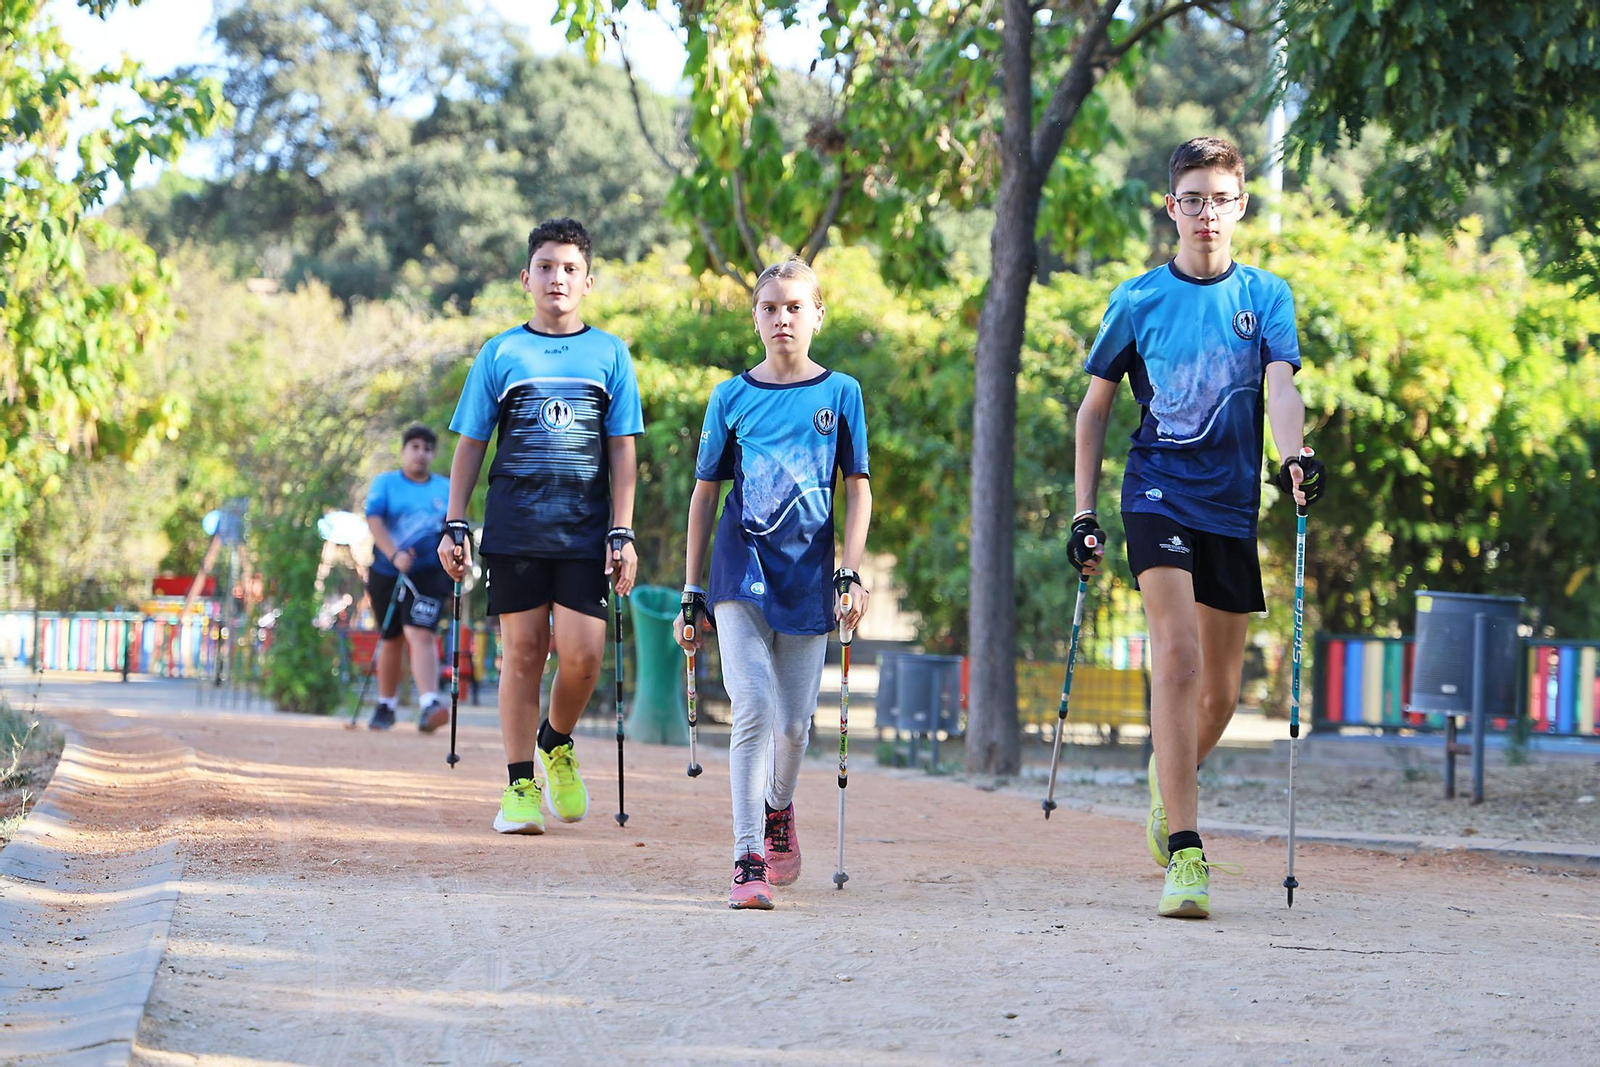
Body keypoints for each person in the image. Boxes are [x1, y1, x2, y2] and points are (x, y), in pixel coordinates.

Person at [1071, 137, 1325, 919]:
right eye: (1193, 198)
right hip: (1155, 492)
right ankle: (1187, 849)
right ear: (1171, 207)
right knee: (1175, 657)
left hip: (1230, 509)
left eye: (1220, 197)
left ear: (1240, 204)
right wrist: (1084, 510)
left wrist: (1296, 454)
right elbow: (1095, 409)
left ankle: (1165, 776)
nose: (1206, 212)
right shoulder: (1138, 298)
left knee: (1221, 693)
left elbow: (1280, 390)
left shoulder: (1267, 296)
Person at [674, 257, 872, 910]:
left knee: (794, 725)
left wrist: (850, 568)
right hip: (741, 567)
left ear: (818, 314)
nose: (781, 318)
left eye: (794, 306)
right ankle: (747, 855)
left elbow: (858, 488)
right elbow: (706, 495)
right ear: (754, 317)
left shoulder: (842, 393)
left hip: (810, 574)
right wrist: (691, 588)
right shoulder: (730, 397)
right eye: (769, 307)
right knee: (754, 705)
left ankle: (778, 807)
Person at [436, 217, 642, 835]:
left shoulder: (609, 353)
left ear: (588, 281)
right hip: (515, 525)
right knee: (523, 652)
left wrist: (623, 531)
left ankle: (556, 741)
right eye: (546, 267)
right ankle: (519, 785)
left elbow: (624, 449)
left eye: (570, 269)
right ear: (527, 278)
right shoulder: (500, 352)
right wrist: (454, 521)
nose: (558, 278)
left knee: (582, 658)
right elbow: (471, 443)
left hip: (584, 530)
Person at [364, 424, 452, 732]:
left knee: (420, 633)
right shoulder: (385, 483)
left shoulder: (446, 488)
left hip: (429, 573)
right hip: (387, 571)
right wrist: (394, 554)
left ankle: (429, 702)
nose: (421, 454)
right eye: (415, 447)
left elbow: (455, 527)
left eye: (427, 449)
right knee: (392, 637)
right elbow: (373, 519)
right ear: (404, 451)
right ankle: (385, 704)